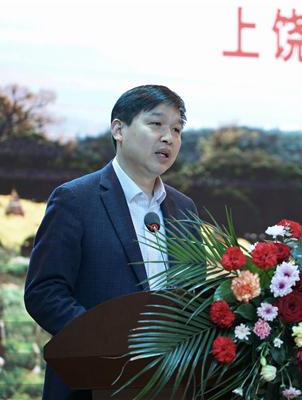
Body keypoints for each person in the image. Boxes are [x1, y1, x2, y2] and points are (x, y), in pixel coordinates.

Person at [24, 85, 197, 400]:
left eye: (176, 129)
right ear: (119, 129)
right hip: (91, 384)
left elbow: (194, 296)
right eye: (156, 124)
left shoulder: (184, 209)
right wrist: (107, 341)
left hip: (169, 384)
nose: (168, 138)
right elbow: (44, 292)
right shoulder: (75, 200)